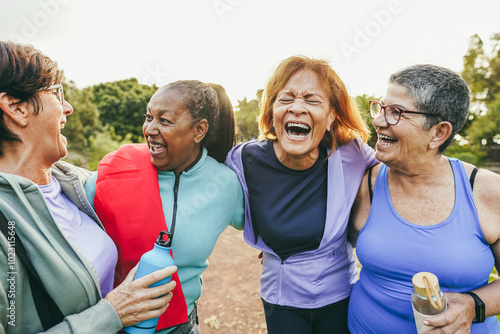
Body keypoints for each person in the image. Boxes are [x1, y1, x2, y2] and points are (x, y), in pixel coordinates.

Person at [0, 41, 177, 334]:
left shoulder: (78, 182)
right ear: (16, 108)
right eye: (57, 93)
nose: (67, 108)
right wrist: (112, 314)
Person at [225, 55, 377, 334]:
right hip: (281, 300)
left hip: (340, 296)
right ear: (271, 111)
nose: (297, 108)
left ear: (331, 115)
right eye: (286, 99)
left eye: (312, 100)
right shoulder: (243, 160)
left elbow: (400, 178)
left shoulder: (352, 154)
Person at [348, 64, 500, 333]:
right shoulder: (364, 182)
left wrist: (472, 305)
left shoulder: (485, 190)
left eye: (396, 113)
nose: (379, 121)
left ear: (439, 133)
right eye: (381, 108)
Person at [85, 80, 245, 333]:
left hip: (182, 325)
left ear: (198, 130)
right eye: (148, 117)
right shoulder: (115, 172)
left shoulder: (226, 185)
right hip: (112, 324)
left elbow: (264, 225)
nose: (149, 129)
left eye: (164, 121)